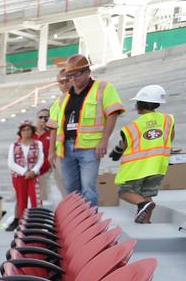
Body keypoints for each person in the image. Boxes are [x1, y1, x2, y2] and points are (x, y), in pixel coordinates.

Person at [51, 54, 124, 207]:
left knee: (88, 188)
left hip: (90, 148)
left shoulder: (103, 88)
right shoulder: (64, 98)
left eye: (77, 74)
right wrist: (52, 151)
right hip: (66, 149)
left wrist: (104, 140)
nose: (73, 79)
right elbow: (54, 126)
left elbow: (113, 113)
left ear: (88, 72)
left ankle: (90, 225)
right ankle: (78, 224)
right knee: (71, 189)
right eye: (70, 75)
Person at [109, 84, 174, 223]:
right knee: (146, 194)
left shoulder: (133, 126)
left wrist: (117, 151)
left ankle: (142, 205)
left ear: (140, 104)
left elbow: (125, 143)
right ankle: (145, 222)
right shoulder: (168, 119)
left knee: (125, 192)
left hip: (138, 168)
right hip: (158, 166)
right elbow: (170, 137)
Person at [6, 121, 44, 230]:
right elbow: (10, 163)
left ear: (32, 131)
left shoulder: (38, 144)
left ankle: (37, 224)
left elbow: (40, 159)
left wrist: (33, 171)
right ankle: (22, 225)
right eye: (23, 130)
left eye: (28, 129)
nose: (26, 132)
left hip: (33, 175)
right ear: (20, 132)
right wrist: (24, 172)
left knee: (35, 198)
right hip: (19, 176)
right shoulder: (14, 145)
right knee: (21, 199)